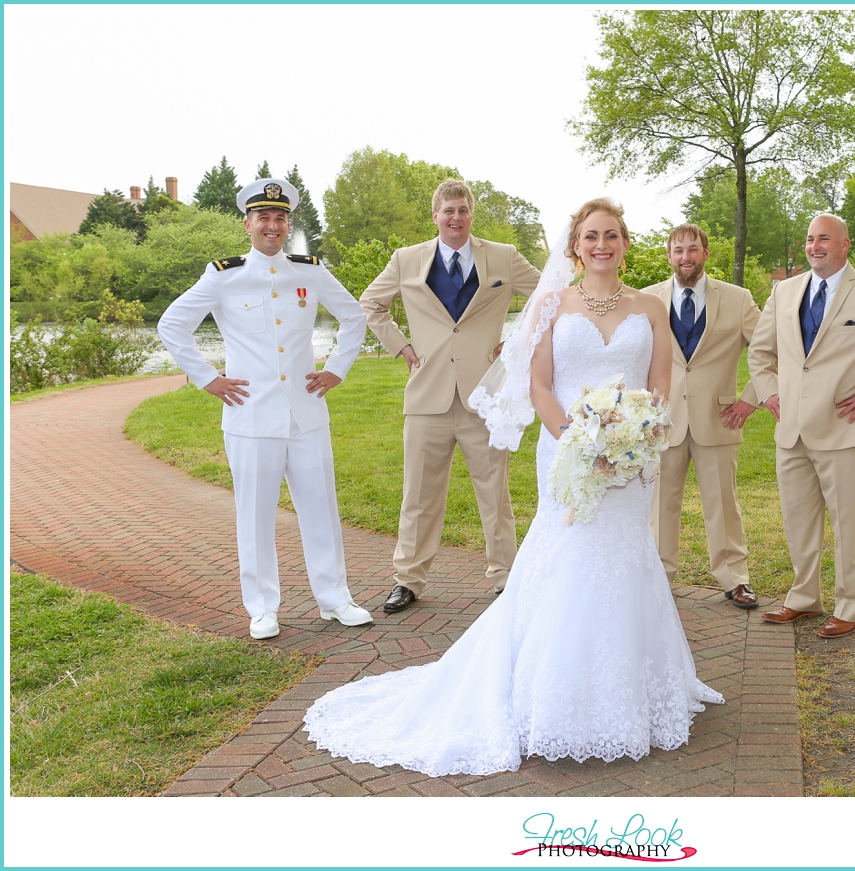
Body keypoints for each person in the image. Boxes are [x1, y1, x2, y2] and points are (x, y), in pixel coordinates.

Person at [304, 199, 722, 775]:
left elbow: (658, 382)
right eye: (591, 236)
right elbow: (541, 383)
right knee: (570, 554)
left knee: (626, 556)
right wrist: (579, 440)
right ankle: (551, 692)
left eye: (612, 236)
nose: (602, 245)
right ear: (575, 246)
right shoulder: (551, 305)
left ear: (626, 243)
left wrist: (635, 436)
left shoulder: (651, 308)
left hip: (631, 457)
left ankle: (633, 688)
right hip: (569, 450)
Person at [157, 178, 370, 640]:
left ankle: (334, 599)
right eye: (263, 218)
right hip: (250, 415)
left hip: (306, 412)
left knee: (320, 507)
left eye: (280, 218)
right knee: (254, 514)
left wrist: (336, 368)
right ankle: (262, 608)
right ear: (248, 223)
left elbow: (355, 317)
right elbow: (172, 324)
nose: (272, 226)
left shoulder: (309, 271)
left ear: (287, 222)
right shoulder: (224, 274)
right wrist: (207, 377)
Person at [358, 179, 541, 613]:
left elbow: (551, 297)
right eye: (448, 211)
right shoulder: (406, 260)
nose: (455, 218)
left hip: (485, 395)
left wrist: (517, 343)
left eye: (462, 210)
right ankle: (408, 579)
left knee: (495, 493)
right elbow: (370, 304)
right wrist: (400, 345)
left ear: (470, 214)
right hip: (427, 396)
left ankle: (504, 578)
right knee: (417, 494)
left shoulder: (503, 257)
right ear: (435, 216)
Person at [748, 214, 855, 638]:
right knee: (797, 519)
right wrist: (768, 392)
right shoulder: (784, 291)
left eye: (824, 239)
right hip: (791, 428)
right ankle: (803, 598)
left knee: (848, 521)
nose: (815, 246)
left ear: (845, 244)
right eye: (810, 239)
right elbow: (761, 353)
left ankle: (851, 606)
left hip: (845, 427)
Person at [645, 224, 762, 609]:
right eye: (678, 250)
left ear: (706, 253)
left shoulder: (737, 298)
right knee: (660, 504)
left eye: (692, 250)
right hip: (662, 420)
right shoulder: (647, 300)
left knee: (723, 503)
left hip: (719, 417)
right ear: (669, 255)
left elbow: (770, 351)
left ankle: (734, 579)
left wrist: (749, 398)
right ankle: (659, 577)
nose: (685, 258)